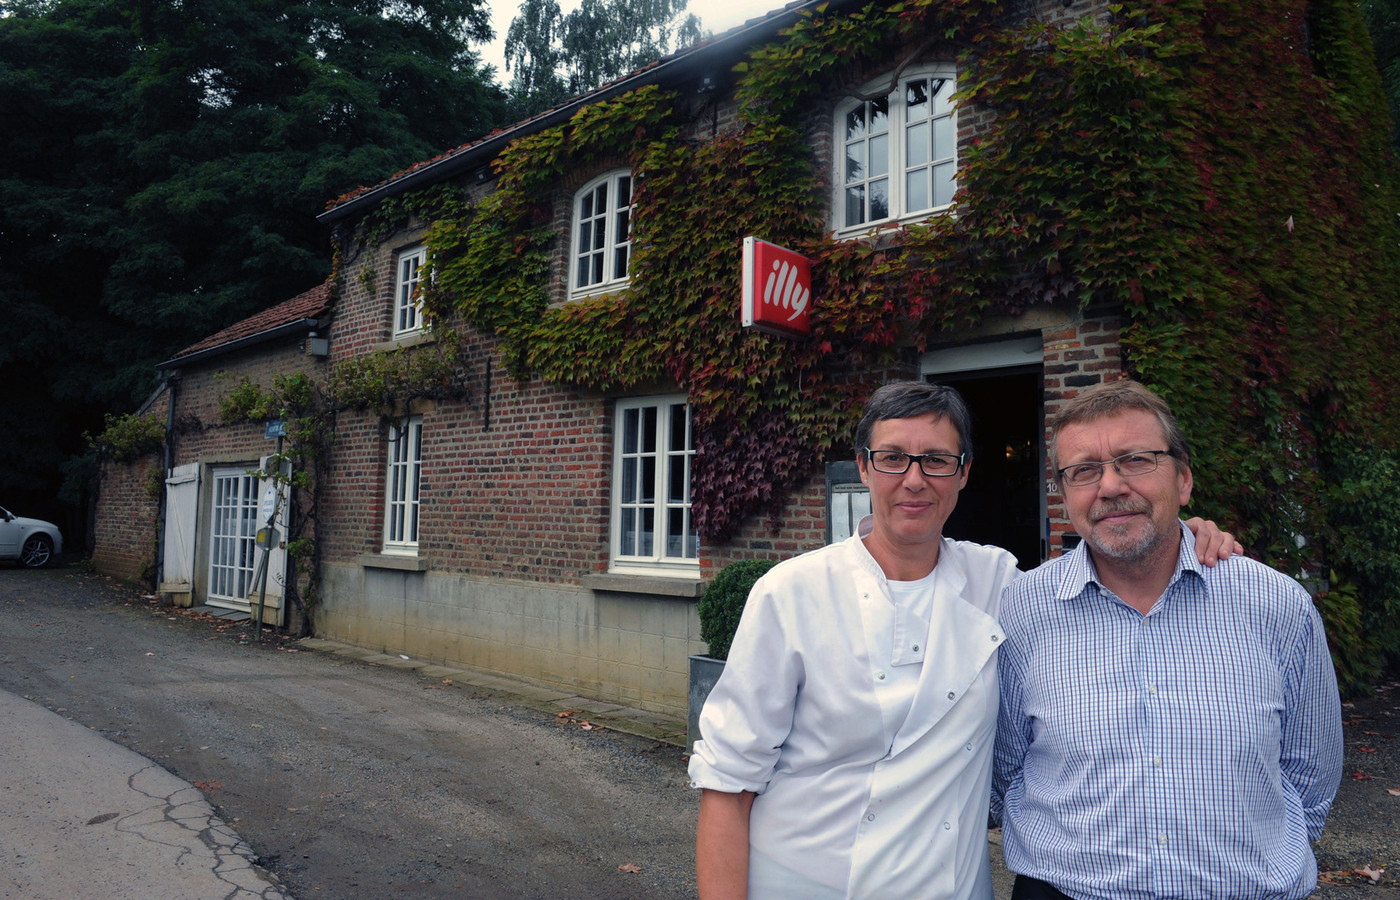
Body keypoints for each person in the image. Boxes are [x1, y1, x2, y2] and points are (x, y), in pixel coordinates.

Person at [688, 380, 1237, 900]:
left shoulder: (997, 581)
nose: (914, 479)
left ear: (963, 472)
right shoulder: (790, 593)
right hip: (805, 883)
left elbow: (1103, 577)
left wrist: (1177, 533)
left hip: (950, 886)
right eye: (892, 457)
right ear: (863, 466)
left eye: (936, 460)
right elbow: (729, 784)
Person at [992, 379, 1343, 900]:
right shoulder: (1020, 610)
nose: (1110, 487)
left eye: (1135, 460)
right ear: (1066, 496)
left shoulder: (1277, 606)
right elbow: (1002, 768)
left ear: (1182, 480)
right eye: (1085, 470)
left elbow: (1310, 772)